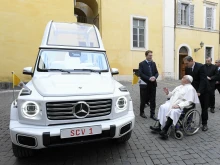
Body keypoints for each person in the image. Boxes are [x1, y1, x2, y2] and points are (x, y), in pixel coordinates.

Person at [183, 56, 210, 131]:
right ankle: (188, 122)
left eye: (187, 63)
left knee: (204, 107)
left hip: (204, 90)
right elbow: (187, 79)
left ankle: (204, 124)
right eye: (185, 63)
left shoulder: (201, 67)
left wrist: (199, 91)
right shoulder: (187, 68)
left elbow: (203, 80)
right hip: (193, 89)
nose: (186, 65)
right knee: (190, 106)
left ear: (191, 61)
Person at [138, 50, 159, 120]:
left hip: (153, 84)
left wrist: (154, 77)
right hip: (145, 84)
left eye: (151, 55)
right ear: (146, 55)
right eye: (149, 55)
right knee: (143, 99)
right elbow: (140, 74)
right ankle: (142, 112)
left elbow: (156, 72)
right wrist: (148, 78)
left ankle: (152, 114)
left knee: (153, 100)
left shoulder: (153, 63)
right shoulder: (141, 64)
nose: (151, 57)